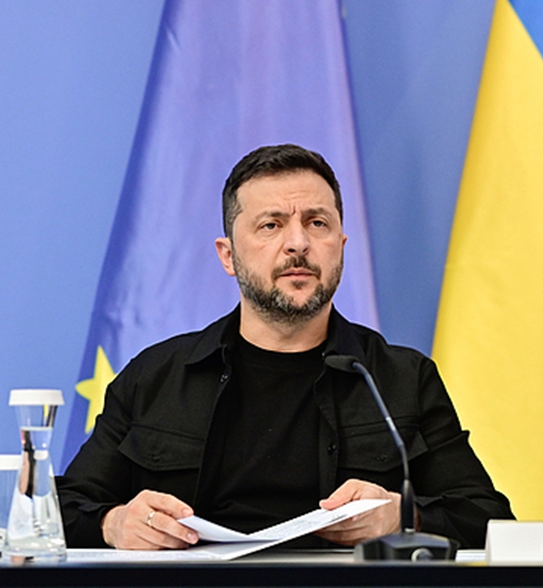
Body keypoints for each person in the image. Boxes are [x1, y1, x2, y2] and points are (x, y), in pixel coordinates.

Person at [58, 144, 513, 550]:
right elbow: (60, 509)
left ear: (340, 245)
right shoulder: (156, 376)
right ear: (228, 256)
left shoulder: (400, 378)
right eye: (271, 225)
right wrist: (114, 523)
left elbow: (488, 518)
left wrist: (403, 516)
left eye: (318, 223)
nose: (298, 244)